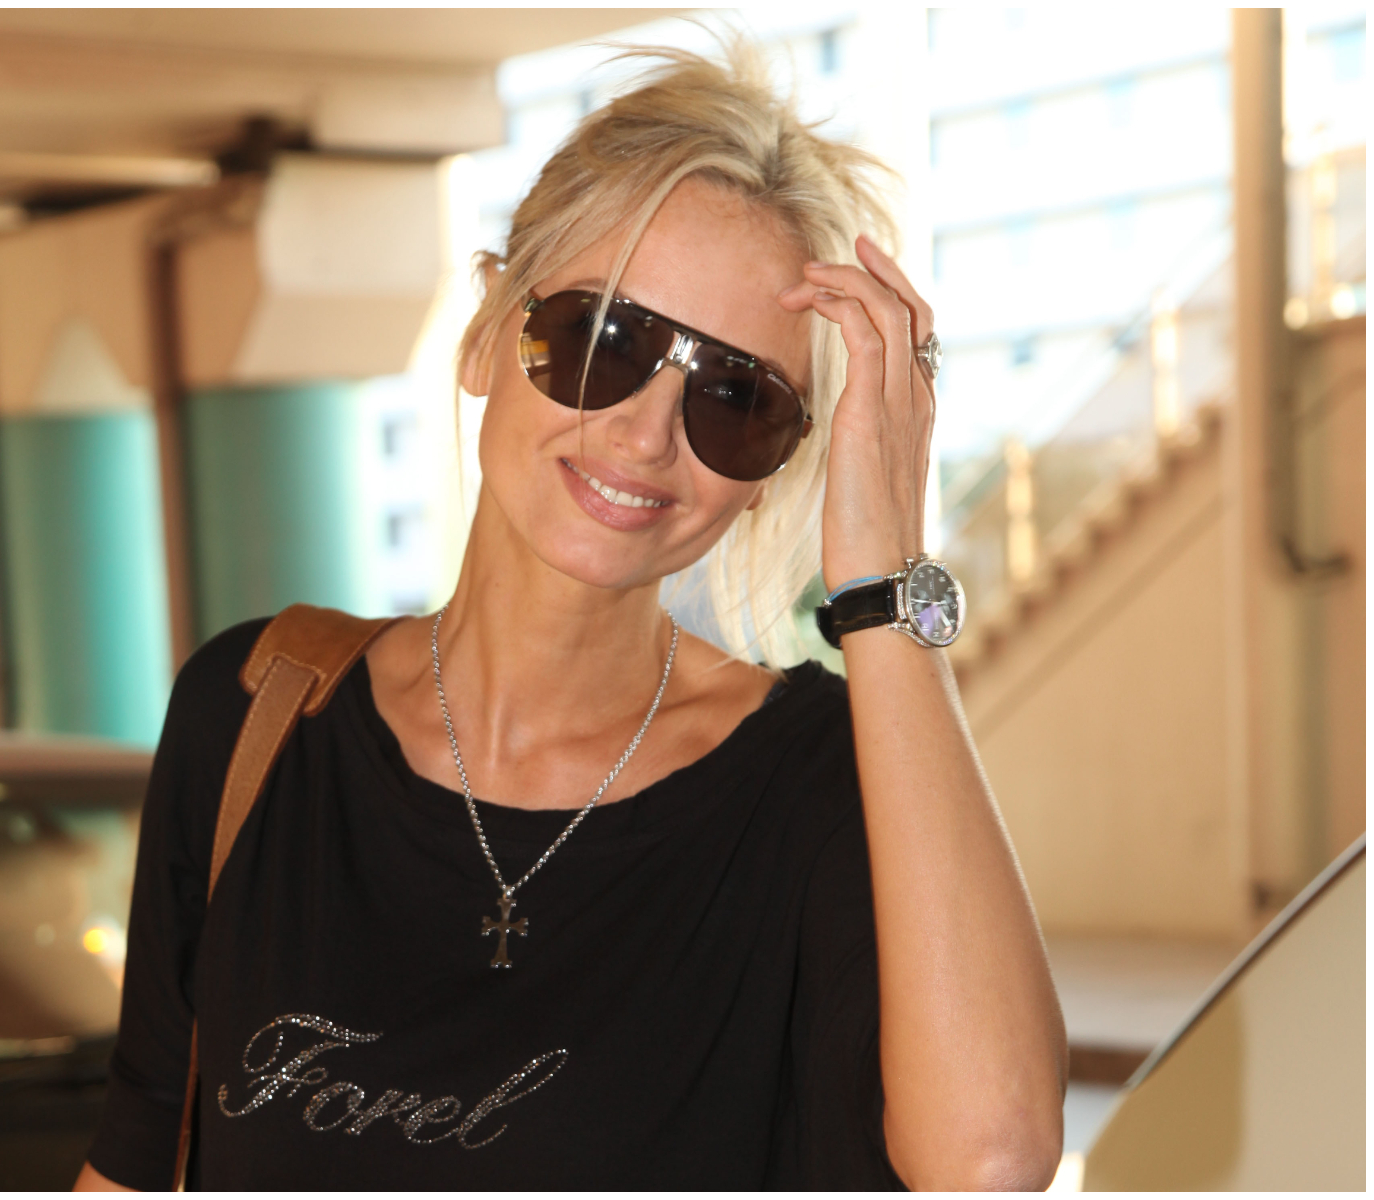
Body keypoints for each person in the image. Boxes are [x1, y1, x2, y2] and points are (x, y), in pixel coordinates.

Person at [77, 42, 1065, 1192]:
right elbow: (137, 1155)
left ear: (776, 469)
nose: (647, 433)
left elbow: (992, 1159)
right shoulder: (257, 713)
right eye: (605, 340)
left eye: (736, 398)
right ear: (486, 334)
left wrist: (884, 573)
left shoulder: (820, 787)